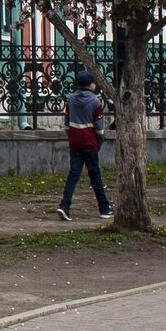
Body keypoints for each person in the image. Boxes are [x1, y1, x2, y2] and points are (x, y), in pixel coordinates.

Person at [56, 67, 110, 222]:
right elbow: (99, 126)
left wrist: (71, 136)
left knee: (73, 173)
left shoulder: (71, 99)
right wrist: (99, 141)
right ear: (90, 85)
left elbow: (66, 124)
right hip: (90, 140)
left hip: (75, 140)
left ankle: (64, 205)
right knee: (95, 174)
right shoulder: (95, 101)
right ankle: (104, 208)